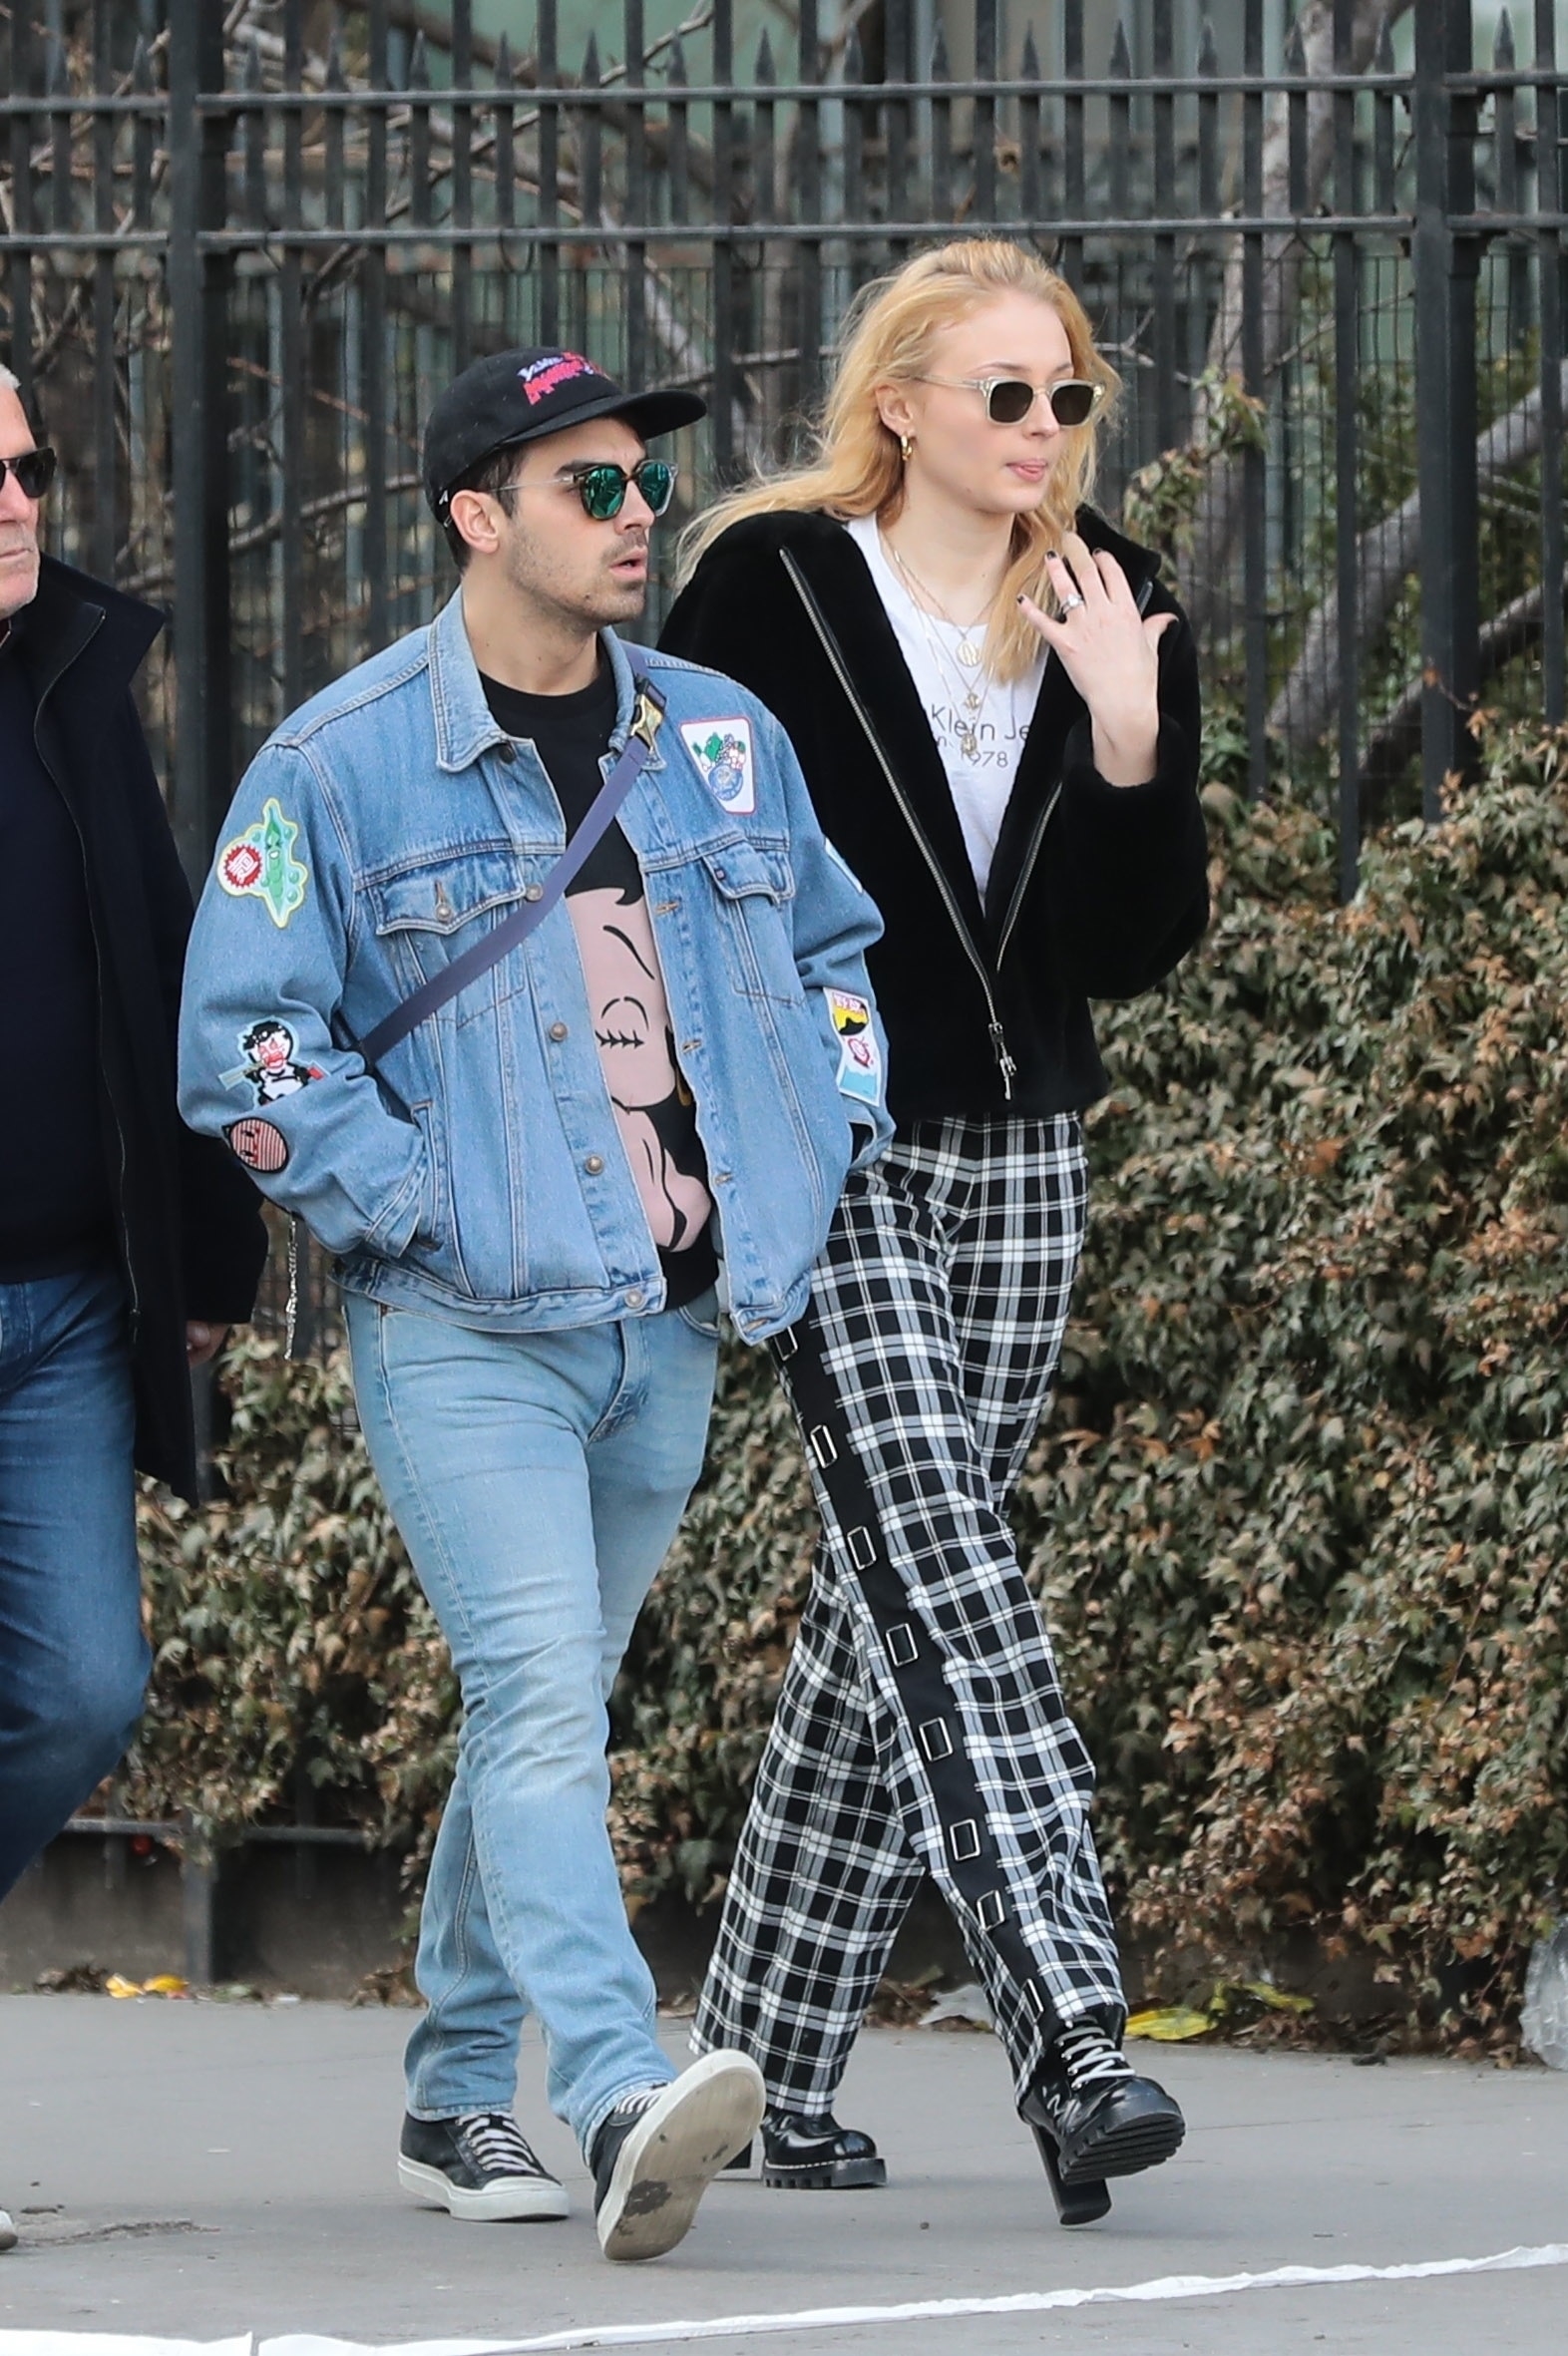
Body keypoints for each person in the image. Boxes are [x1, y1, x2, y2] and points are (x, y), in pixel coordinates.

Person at [178, 347, 892, 2263]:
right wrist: (425, 1205)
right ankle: (613, 2087)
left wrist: (821, 1130)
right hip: (466, 1331)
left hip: (671, 1320)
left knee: (545, 1704)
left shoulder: (719, 733)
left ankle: (447, 2088)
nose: (640, 513)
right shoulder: (337, 765)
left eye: (643, 481)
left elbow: (838, 954)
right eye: (592, 485)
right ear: (476, 518)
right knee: (542, 1691)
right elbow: (244, 1048)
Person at [659, 238, 1209, 2227]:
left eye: (1070, 395)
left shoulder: (1111, 594)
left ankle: (762, 2056)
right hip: (832, 1135)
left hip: (1028, 1146)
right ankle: (1075, 2032)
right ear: (899, 404)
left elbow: (1132, 947)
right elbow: (680, 863)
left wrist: (1128, 733)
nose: (1046, 428)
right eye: (1008, 393)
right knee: (951, 1565)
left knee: (892, 1578)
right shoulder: (770, 588)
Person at [0, 361, 268, 1914]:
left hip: (66, 1309)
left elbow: (164, 965)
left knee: (85, 1690)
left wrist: (208, 1248)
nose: (17, 504)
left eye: (29, 470)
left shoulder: (76, 679)